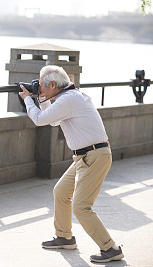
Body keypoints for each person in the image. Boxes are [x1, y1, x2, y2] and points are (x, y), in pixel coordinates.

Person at [18, 65, 124, 263]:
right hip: (83, 157)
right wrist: (40, 99)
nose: (38, 89)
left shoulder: (69, 99)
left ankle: (110, 248)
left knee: (81, 206)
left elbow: (40, 120)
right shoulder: (69, 97)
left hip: (95, 156)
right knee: (61, 192)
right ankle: (64, 237)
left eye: (41, 86)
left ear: (52, 84)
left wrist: (28, 101)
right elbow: (52, 121)